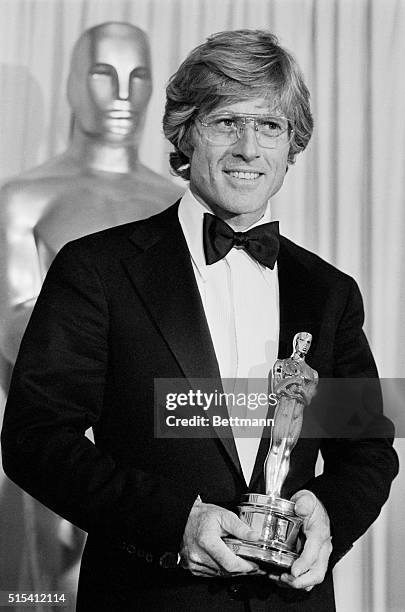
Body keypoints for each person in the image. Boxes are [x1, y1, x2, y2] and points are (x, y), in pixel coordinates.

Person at [1, 29, 398, 611]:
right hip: (147, 596)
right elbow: (36, 441)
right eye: (225, 123)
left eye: (269, 126)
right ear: (185, 133)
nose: (248, 149)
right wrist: (173, 524)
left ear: (292, 146)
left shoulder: (329, 293)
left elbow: (366, 449)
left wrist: (330, 512)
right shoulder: (97, 270)